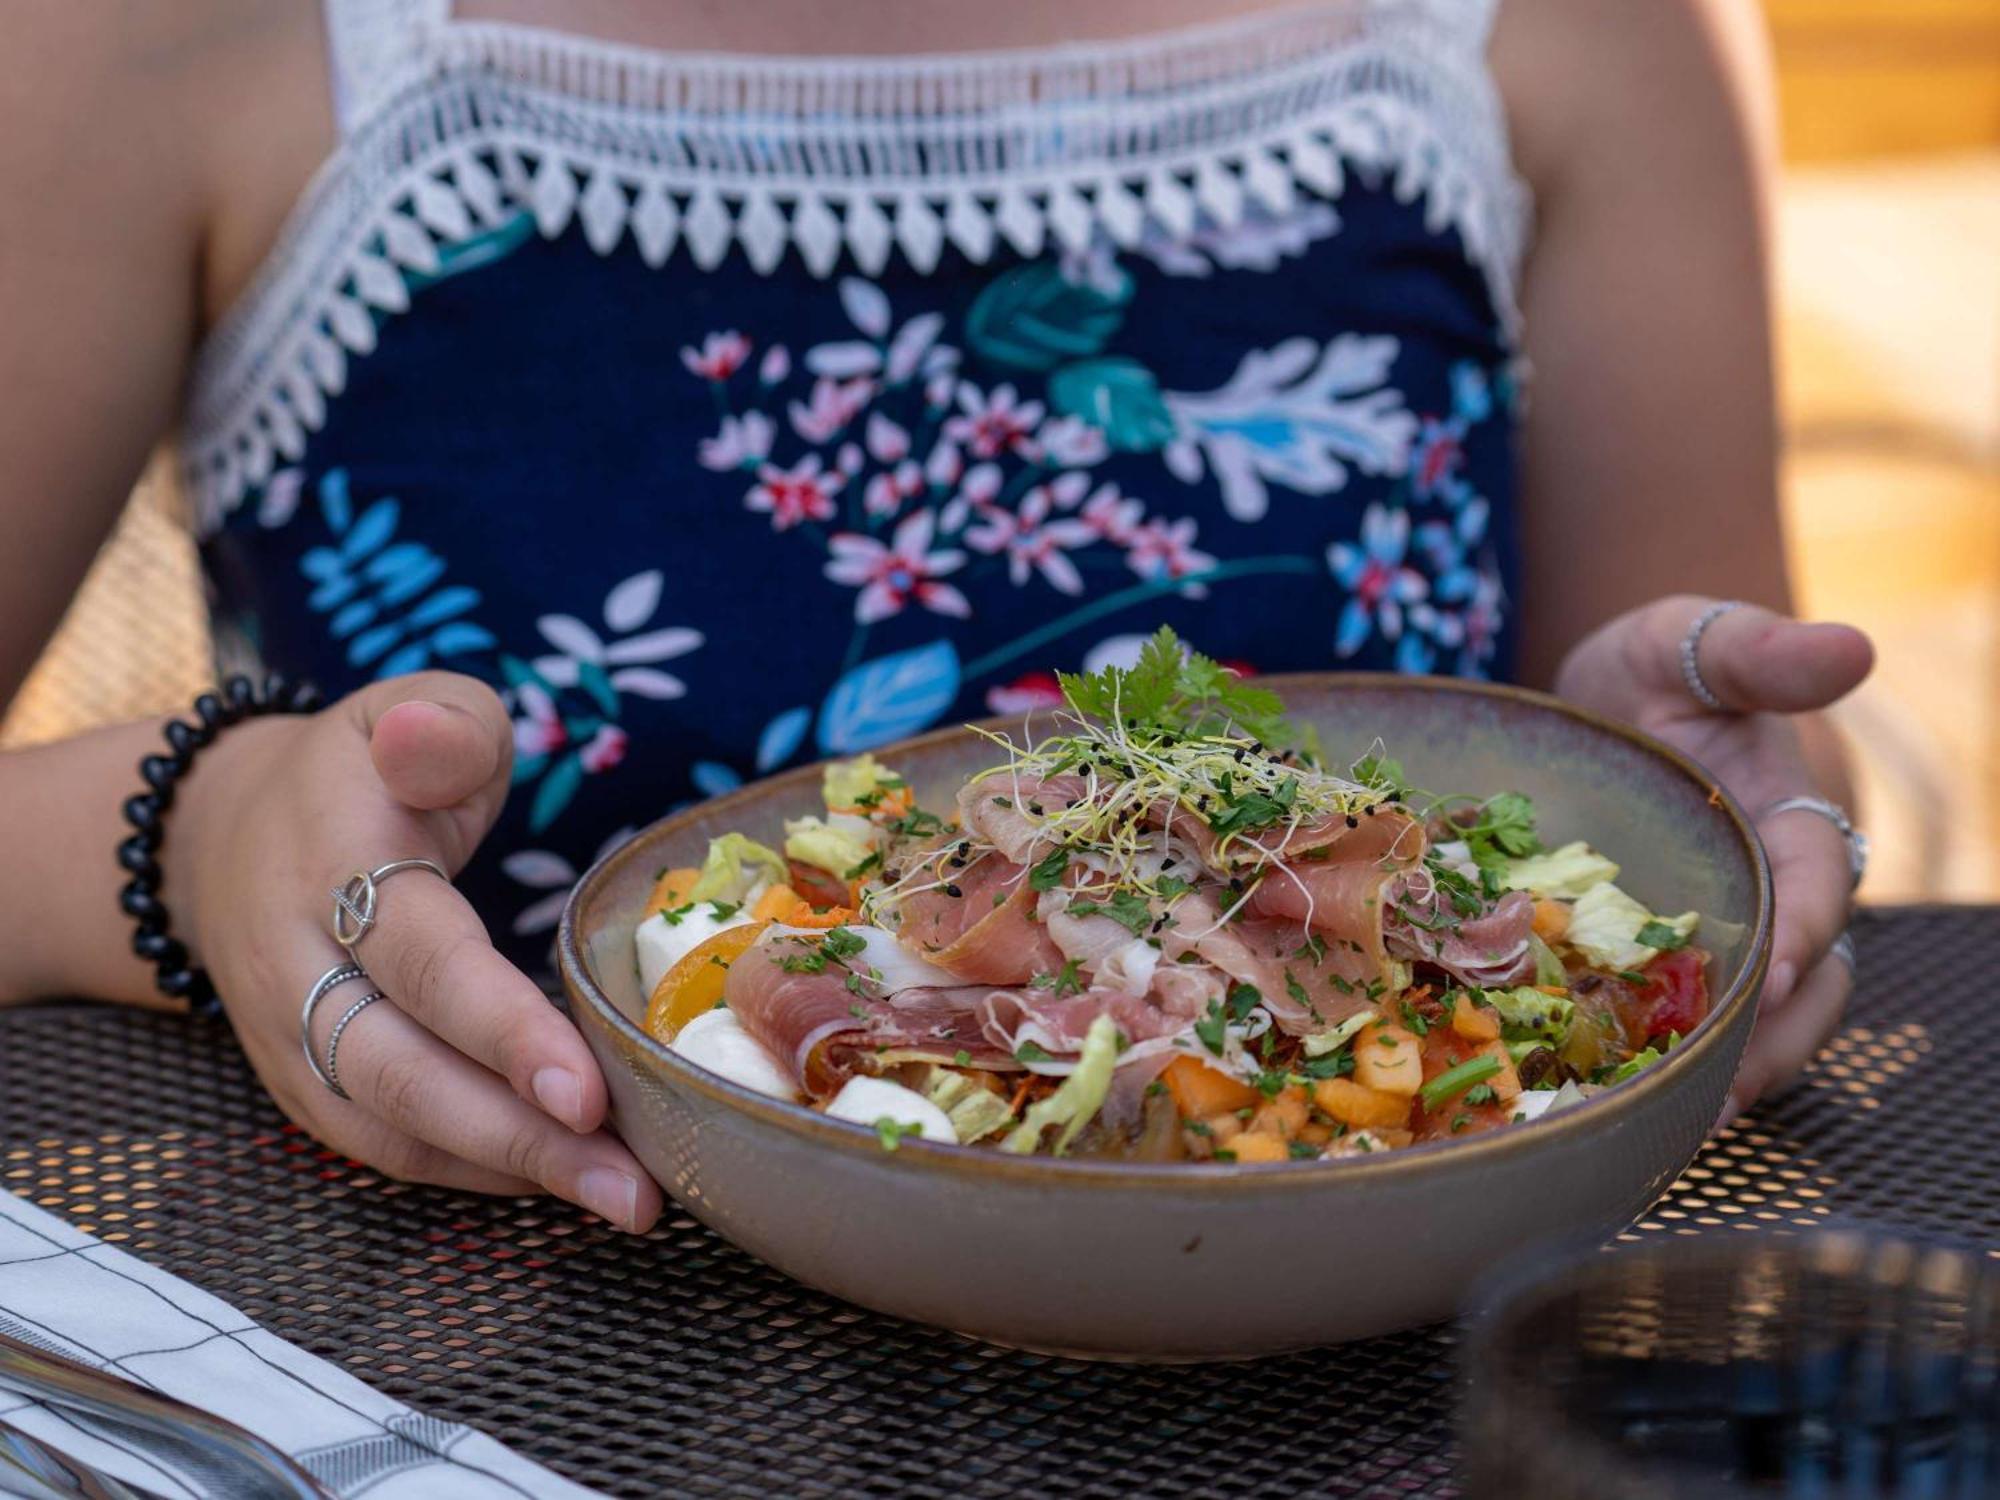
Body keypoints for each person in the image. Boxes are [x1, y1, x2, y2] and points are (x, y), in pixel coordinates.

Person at [0, 0, 1871, 1234]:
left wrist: (1699, 798)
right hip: (465, 1352)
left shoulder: (1583, 31)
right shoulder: (155, 39)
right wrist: (192, 830)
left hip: (1404, 1366)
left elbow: (1716, 769)